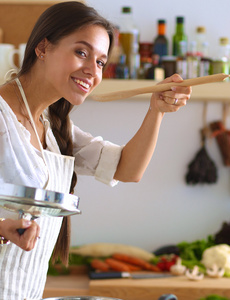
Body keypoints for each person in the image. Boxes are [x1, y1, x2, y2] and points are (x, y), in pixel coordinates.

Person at [0, 1, 191, 299]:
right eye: (81, 52)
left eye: (101, 62)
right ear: (43, 47)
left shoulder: (54, 126)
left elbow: (128, 169)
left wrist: (157, 110)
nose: (92, 70)